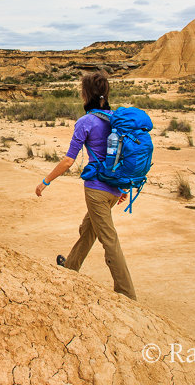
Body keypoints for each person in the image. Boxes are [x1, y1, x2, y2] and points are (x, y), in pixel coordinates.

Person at [34, 71, 137, 300]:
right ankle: (70, 267)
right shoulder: (117, 120)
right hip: (115, 187)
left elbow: (69, 160)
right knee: (88, 229)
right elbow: (126, 155)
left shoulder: (85, 122)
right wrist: (124, 188)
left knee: (109, 240)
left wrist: (45, 182)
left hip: (97, 190)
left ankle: (127, 294)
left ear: (85, 94)